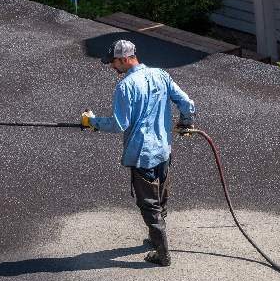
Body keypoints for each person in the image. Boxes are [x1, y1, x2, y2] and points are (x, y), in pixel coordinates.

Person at [81, 39, 196, 266]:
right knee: (161, 197)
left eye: (114, 62)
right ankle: (157, 237)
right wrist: (186, 122)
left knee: (148, 204)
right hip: (164, 150)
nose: (113, 67)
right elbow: (186, 102)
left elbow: (119, 124)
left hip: (142, 154)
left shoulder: (126, 86)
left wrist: (92, 121)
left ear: (124, 59)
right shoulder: (160, 75)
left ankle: (162, 254)